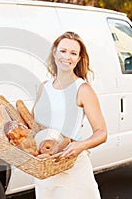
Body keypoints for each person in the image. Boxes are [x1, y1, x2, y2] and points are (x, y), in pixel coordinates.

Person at [32, 31, 107, 198]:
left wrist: (80, 145)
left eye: (73, 53)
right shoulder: (44, 87)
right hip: (45, 170)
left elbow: (102, 132)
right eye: (63, 51)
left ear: (79, 59)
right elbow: (33, 125)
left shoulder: (83, 90)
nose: (67, 57)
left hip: (72, 169)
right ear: (54, 52)